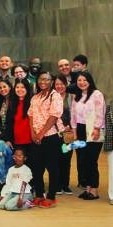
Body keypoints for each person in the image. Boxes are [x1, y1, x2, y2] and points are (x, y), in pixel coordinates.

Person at [27, 72, 63, 207]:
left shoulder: (55, 96)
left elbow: (53, 116)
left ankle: (51, 196)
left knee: (52, 167)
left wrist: (41, 134)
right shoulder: (35, 97)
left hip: (50, 137)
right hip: (36, 138)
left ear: (51, 81)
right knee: (37, 167)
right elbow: (30, 116)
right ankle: (39, 194)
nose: (43, 82)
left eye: (47, 79)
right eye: (41, 79)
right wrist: (33, 133)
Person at [70, 71, 105, 200]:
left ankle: (94, 190)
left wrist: (97, 128)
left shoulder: (97, 94)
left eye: (84, 80)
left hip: (92, 130)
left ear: (90, 81)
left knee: (91, 160)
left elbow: (100, 113)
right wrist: (74, 132)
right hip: (80, 130)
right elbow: (73, 115)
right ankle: (88, 188)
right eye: (79, 80)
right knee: (83, 160)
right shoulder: (76, 96)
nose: (82, 83)